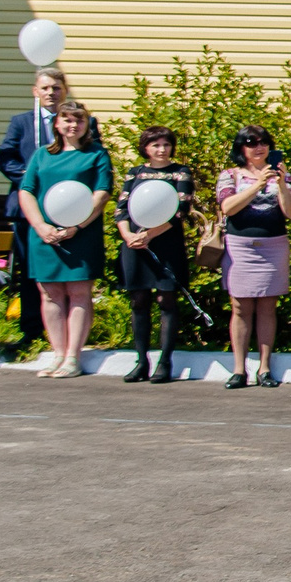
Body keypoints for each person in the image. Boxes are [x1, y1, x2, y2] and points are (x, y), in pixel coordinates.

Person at [14, 98, 113, 378]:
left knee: (79, 293)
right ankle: (57, 354)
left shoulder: (96, 154)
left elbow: (102, 194)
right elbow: (27, 191)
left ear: (86, 124)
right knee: (50, 294)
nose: (73, 125)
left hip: (81, 233)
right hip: (45, 235)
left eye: (79, 120)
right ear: (57, 123)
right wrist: (40, 226)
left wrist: (76, 227)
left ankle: (73, 358)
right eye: (67, 119)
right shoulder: (42, 154)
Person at [0, 67, 72, 351]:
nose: (51, 93)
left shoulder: (80, 121)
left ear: (65, 91)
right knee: (31, 270)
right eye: (45, 88)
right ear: (35, 91)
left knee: (66, 270)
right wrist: (31, 181)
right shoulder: (21, 122)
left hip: (68, 207)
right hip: (27, 209)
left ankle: (66, 330)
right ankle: (31, 330)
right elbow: (6, 159)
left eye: (56, 88)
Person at [216, 126, 291, 388]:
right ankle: (239, 369)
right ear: (241, 147)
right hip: (240, 247)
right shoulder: (230, 175)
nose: (258, 147)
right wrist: (258, 185)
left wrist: (281, 184)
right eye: (251, 142)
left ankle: (264, 368)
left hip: (273, 246)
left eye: (264, 142)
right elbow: (228, 208)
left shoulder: (282, 175)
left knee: (267, 306)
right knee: (240, 307)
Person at [114, 126, 194, 383]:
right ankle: (141, 361)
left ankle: (165, 361)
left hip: (166, 242)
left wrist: (150, 234)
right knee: (138, 300)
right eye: (156, 145)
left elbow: (180, 210)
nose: (162, 150)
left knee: (166, 299)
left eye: (166, 145)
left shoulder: (180, 172)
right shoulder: (135, 172)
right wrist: (128, 235)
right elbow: (121, 208)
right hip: (135, 243)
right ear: (145, 148)